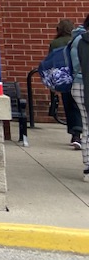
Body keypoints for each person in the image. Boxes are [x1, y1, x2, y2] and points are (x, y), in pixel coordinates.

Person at [48, 19, 82, 148]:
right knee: (79, 106)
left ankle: (75, 134)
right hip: (79, 76)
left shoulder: (55, 43)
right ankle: (78, 134)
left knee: (69, 106)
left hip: (64, 78)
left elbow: (52, 63)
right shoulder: (77, 40)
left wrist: (53, 83)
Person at [69, 15, 89, 182]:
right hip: (84, 84)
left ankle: (88, 167)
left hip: (77, 84)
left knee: (87, 125)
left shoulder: (77, 39)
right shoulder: (82, 41)